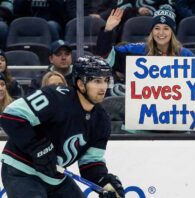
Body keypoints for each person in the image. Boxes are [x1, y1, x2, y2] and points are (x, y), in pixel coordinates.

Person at [0, 55, 125, 198]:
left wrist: (104, 183)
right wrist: (38, 147)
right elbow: (10, 116)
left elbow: (91, 162)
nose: (103, 87)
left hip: (54, 177)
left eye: (106, 81)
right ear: (80, 84)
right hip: (21, 170)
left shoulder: (101, 121)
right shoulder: (56, 97)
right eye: (97, 81)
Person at [97, 7, 194, 84]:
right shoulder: (135, 50)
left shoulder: (185, 55)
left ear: (172, 32)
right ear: (151, 31)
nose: (161, 33)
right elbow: (106, 58)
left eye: (166, 28)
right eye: (157, 28)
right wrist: (108, 30)